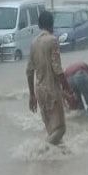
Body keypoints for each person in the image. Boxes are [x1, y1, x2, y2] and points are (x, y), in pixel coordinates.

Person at [27, 11, 71, 145]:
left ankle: (55, 161)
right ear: (52, 24)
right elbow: (57, 69)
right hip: (51, 89)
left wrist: (32, 95)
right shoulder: (52, 41)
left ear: (39, 25)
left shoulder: (34, 43)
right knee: (61, 129)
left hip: (39, 91)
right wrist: (67, 87)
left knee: (52, 130)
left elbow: (29, 71)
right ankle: (42, 150)